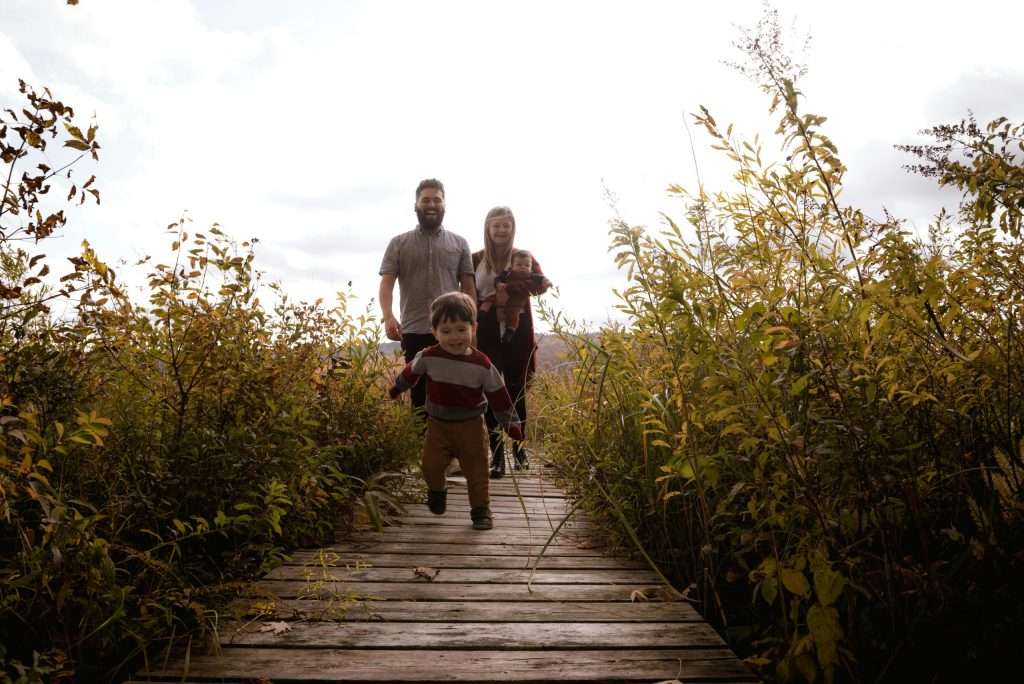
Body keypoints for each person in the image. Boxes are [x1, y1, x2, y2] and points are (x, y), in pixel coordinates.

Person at [389, 292, 523, 530]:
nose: (454, 337)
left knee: (477, 470)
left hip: (471, 426)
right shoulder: (429, 356)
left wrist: (511, 423)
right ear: (434, 332)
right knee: (430, 466)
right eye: (446, 331)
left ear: (473, 328)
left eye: (461, 329)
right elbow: (411, 372)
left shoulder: (482, 364)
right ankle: (437, 489)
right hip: (437, 426)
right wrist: (398, 387)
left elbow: (499, 395)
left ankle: (480, 510)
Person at [379, 179, 476, 416]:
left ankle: (451, 439)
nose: (431, 204)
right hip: (413, 330)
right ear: (416, 205)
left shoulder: (460, 243)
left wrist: (472, 324)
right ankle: (421, 439)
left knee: (453, 393)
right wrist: (388, 316)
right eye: (426, 200)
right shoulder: (398, 243)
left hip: (452, 331)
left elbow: (469, 287)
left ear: (444, 205)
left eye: (436, 200)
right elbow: (386, 284)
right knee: (419, 396)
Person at [473, 207, 551, 478]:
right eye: (496, 226)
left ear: (512, 228)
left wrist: (513, 288)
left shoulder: (524, 258)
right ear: (488, 228)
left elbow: (540, 286)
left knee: (517, 391)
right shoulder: (476, 259)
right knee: (491, 390)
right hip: (487, 329)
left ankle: (519, 452)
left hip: (518, 329)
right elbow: (467, 293)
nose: (501, 230)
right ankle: (497, 456)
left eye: (506, 225)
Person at [482, 249, 551, 344]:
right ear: (512, 265)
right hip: (503, 291)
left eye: (527, 265)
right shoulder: (508, 273)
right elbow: (498, 279)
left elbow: (542, 279)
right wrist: (498, 284)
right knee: (489, 299)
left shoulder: (531, 276)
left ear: (531, 267)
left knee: (513, 311)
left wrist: (546, 282)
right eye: (519, 265)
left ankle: (511, 329)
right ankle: (482, 313)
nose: (523, 267)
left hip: (517, 297)